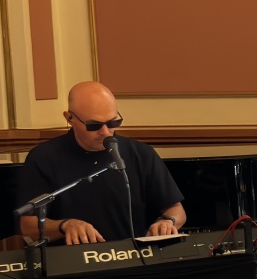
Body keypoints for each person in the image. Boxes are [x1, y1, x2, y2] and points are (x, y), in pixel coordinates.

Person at [18, 81, 185, 244]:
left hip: (135, 258)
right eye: (94, 125)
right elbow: (28, 227)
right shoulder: (43, 158)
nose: (105, 132)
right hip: (73, 263)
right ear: (69, 118)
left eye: (113, 122)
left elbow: (177, 210)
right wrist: (65, 225)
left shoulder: (141, 154)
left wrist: (167, 221)